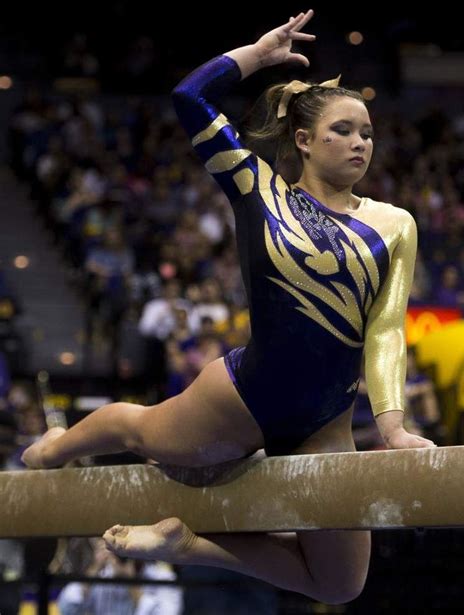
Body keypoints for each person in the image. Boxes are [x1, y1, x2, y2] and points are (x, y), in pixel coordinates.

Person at [22, 11, 437, 605]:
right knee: (141, 431)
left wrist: (393, 428)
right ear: (303, 140)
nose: (360, 143)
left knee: (341, 585)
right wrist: (258, 54)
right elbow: (189, 96)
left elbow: (386, 330)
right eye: (343, 130)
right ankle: (55, 447)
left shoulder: (394, 225)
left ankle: (187, 546)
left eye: (367, 132)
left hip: (324, 422)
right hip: (244, 396)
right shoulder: (256, 187)